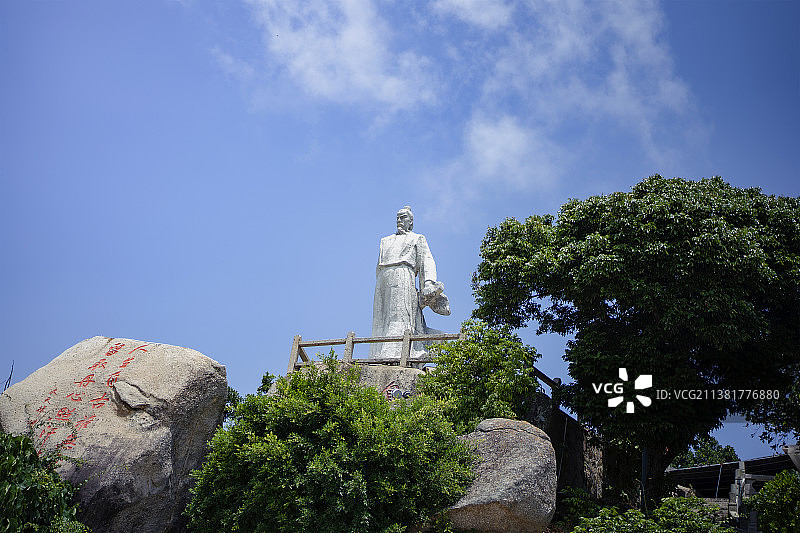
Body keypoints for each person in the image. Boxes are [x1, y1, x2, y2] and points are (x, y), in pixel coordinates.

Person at [370, 206, 450, 359]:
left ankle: (396, 351)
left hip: (403, 274)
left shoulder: (417, 238)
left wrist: (428, 282)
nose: (399, 220)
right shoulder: (385, 241)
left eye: (403, 217)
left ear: (411, 222)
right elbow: (378, 266)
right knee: (381, 319)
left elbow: (427, 260)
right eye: (398, 218)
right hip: (383, 278)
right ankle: (378, 352)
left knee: (399, 316)